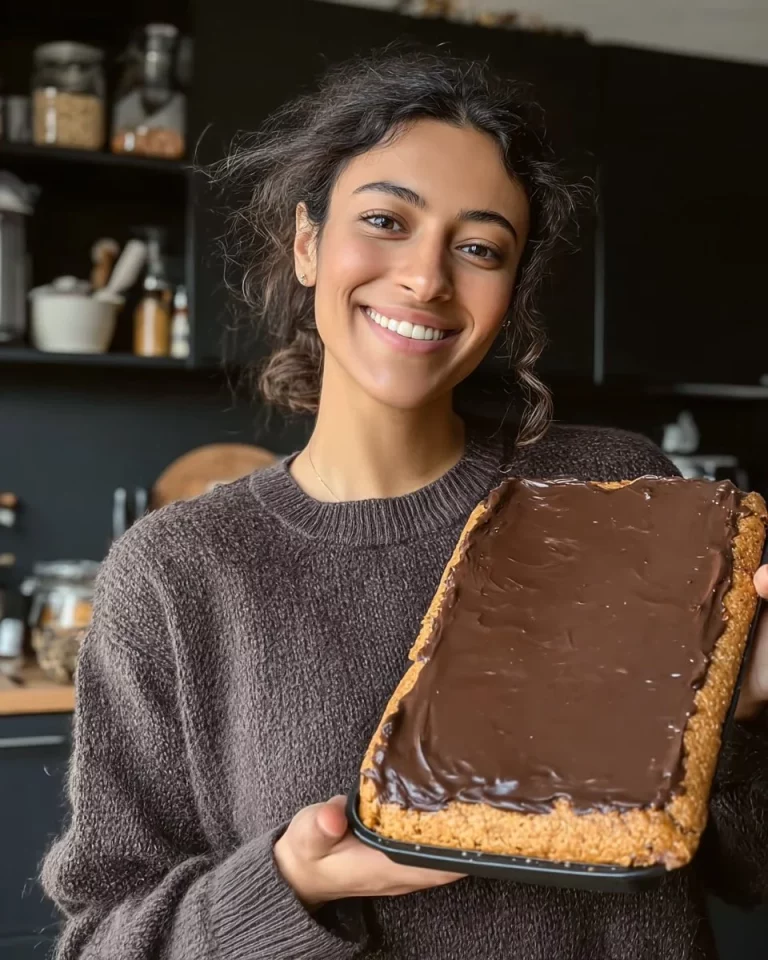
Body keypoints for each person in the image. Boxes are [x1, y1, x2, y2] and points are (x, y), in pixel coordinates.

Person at [41, 49, 768, 960]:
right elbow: (101, 943)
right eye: (386, 220)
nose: (427, 278)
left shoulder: (617, 493)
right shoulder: (183, 572)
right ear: (308, 244)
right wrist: (293, 882)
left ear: (511, 292)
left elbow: (748, 870)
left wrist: (739, 709)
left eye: (478, 247)